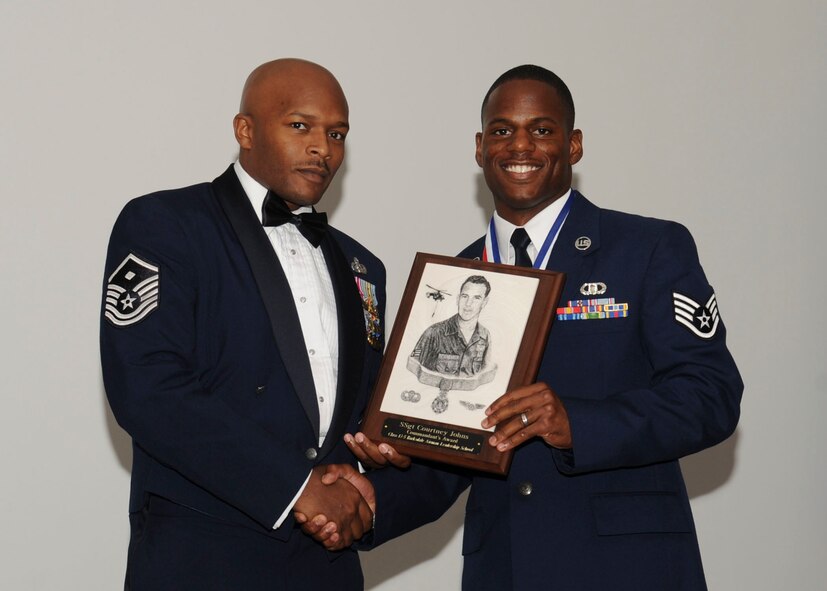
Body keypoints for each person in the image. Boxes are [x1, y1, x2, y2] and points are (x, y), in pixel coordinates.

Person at [317, 64, 744, 590]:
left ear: (574, 144)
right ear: (479, 148)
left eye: (541, 130)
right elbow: (458, 452)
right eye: (502, 130)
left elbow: (711, 396)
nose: (520, 145)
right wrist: (374, 496)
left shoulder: (647, 248)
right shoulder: (454, 279)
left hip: (628, 569)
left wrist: (576, 425)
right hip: (505, 568)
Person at [100, 58, 386, 591]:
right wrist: (297, 489)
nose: (323, 147)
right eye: (300, 126)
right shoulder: (165, 225)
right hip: (202, 562)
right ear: (245, 130)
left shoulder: (363, 267)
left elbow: (370, 418)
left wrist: (370, 492)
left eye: (337, 133)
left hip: (326, 569)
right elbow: (148, 389)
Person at [410, 275, 492, 377]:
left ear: (484, 302)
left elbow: (485, 373)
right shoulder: (434, 332)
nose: (468, 303)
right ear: (458, 299)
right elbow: (412, 366)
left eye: (476, 298)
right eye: (465, 296)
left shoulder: (485, 336)